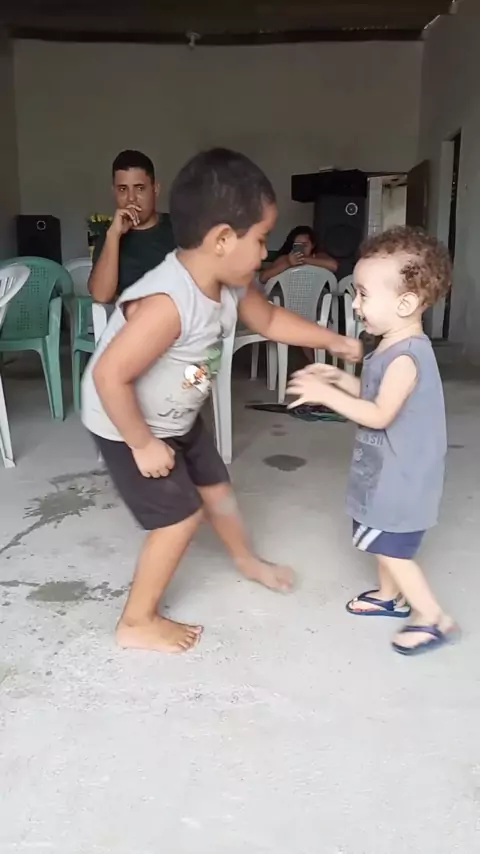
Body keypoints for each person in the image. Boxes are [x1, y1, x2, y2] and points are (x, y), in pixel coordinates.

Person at [81, 147, 362, 655]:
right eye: (260, 239)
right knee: (180, 518)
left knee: (216, 488)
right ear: (222, 239)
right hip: (126, 420)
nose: (264, 252)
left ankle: (245, 559)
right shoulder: (168, 302)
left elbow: (270, 320)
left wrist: (336, 341)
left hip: (177, 412)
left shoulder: (231, 280)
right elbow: (108, 375)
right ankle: (136, 621)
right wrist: (142, 444)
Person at [287, 226, 458, 656]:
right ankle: (389, 597)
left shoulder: (406, 357)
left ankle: (432, 617)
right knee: (381, 539)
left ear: (405, 304)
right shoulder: (387, 347)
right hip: (387, 470)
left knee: (393, 548)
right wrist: (338, 379)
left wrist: (327, 396)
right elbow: (372, 394)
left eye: (363, 295)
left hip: (403, 477)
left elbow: (380, 413)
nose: (355, 303)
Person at [88, 150, 175, 303]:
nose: (131, 198)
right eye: (123, 189)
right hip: (130, 316)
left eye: (140, 188)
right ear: (114, 192)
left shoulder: (181, 228)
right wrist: (113, 235)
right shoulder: (110, 237)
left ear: (155, 189)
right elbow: (101, 296)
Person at [258, 225, 337, 285]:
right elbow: (263, 278)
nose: (301, 248)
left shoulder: (318, 256)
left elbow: (334, 266)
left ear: (312, 245)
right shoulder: (285, 258)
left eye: (305, 245)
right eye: (297, 245)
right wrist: (288, 263)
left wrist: (303, 259)